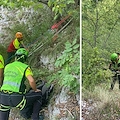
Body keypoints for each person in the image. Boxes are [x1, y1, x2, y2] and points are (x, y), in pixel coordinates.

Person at [0, 48, 53, 120]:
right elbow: (31, 81)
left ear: (16, 57)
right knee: (38, 96)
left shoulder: (7, 66)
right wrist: (35, 89)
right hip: (17, 99)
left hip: (3, 97)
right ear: (25, 59)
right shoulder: (25, 67)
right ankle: (35, 118)